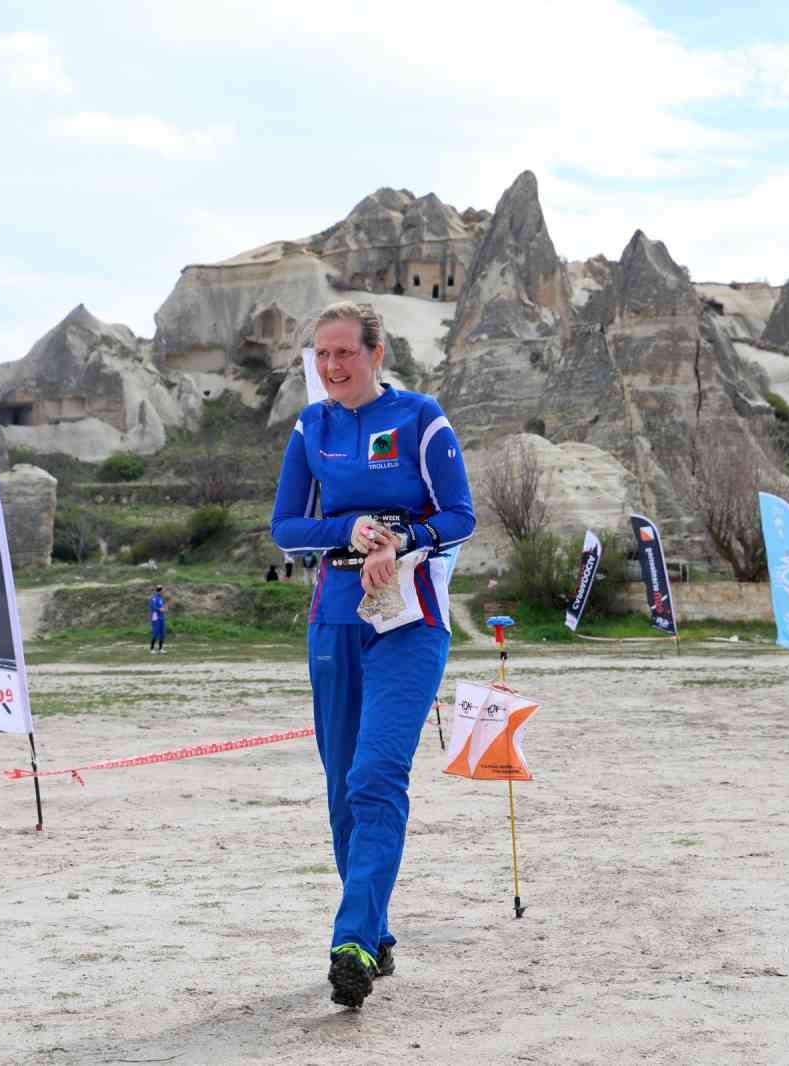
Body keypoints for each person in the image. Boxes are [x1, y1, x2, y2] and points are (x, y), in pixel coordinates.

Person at [270, 300, 475, 1009]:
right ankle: (377, 932)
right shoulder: (312, 426)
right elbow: (286, 526)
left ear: (376, 352)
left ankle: (352, 942)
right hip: (335, 620)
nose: (332, 366)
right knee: (341, 792)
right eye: (322, 355)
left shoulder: (420, 417)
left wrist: (402, 538)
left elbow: (461, 515)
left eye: (345, 353)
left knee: (376, 775)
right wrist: (348, 528)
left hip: (410, 622)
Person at [147, 585, 167, 654]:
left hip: (162, 618)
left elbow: (162, 607)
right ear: (160, 590)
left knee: (162, 633)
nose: (164, 591)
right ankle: (151, 649)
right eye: (163, 590)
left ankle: (160, 649)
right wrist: (160, 609)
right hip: (156, 618)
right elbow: (153, 607)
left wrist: (164, 609)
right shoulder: (154, 598)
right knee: (155, 633)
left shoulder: (161, 598)